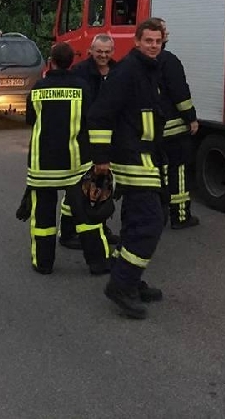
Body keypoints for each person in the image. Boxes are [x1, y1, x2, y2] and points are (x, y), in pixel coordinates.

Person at [88, 19, 166, 319]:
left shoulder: (148, 69)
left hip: (146, 156)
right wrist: (101, 158)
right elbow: (99, 115)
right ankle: (121, 285)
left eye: (158, 41)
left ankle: (128, 278)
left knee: (137, 223)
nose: (153, 45)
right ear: (137, 41)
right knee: (149, 223)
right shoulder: (128, 72)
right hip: (132, 158)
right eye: (148, 40)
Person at [22, 42, 107, 275]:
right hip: (74, 165)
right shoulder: (82, 87)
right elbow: (91, 121)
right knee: (87, 215)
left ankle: (43, 263)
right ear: (71, 62)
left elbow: (30, 120)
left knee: (43, 218)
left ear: (51, 62)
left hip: (42, 166)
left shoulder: (38, 88)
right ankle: (98, 263)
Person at [59, 33, 120, 250]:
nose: (103, 56)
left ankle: (101, 228)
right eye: (99, 51)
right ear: (91, 51)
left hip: (109, 137)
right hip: (84, 137)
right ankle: (68, 232)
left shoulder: (117, 71)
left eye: (107, 52)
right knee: (78, 187)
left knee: (102, 187)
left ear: (113, 52)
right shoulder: (80, 72)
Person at [150, 18, 200, 229]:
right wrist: (191, 118)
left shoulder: (139, 62)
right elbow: (180, 94)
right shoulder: (169, 61)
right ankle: (180, 216)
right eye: (165, 30)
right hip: (173, 127)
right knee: (178, 171)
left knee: (158, 173)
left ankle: (157, 214)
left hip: (152, 129)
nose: (167, 33)